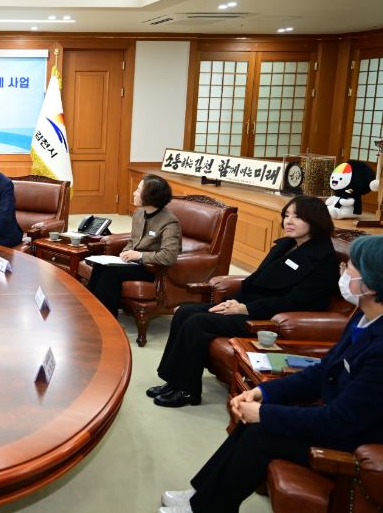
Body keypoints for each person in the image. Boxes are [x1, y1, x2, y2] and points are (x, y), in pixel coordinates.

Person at [157, 234, 383, 513]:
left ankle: (203, 507)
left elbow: (342, 420)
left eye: (349, 268)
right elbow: (323, 370)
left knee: (260, 432)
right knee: (252, 419)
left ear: (370, 284)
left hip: (354, 437)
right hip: (335, 415)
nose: (343, 272)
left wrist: (264, 414)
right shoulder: (363, 317)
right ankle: (200, 495)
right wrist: (264, 392)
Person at [149, 195, 339, 409]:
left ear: (315, 220)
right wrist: (233, 302)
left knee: (198, 322)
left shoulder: (323, 260)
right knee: (185, 312)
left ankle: (188, 391)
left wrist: (246, 308)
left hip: (267, 318)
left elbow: (296, 301)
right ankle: (174, 381)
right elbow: (255, 280)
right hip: (247, 306)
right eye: (286, 215)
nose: (289, 221)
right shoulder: (286, 245)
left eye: (297, 217)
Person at [87, 174, 181, 316]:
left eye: (138, 190)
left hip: (151, 269)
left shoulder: (169, 222)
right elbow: (133, 240)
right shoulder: (139, 213)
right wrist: (125, 253)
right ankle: (91, 311)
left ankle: (106, 318)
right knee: (100, 266)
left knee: (110, 273)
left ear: (151, 195)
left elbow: (169, 256)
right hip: (133, 263)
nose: (134, 193)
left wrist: (139, 255)